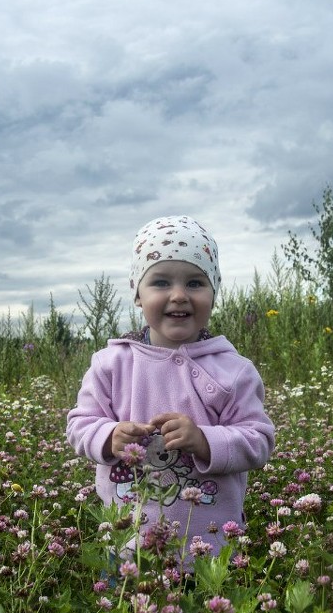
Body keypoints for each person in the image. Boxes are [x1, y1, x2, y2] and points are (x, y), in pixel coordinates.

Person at [67, 216, 276, 571]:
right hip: (128, 547)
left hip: (209, 552)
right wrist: (109, 436)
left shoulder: (234, 369)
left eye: (195, 282)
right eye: (160, 282)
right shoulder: (110, 364)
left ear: (213, 293)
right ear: (138, 293)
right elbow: (79, 425)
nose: (179, 295)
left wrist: (205, 440)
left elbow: (258, 439)